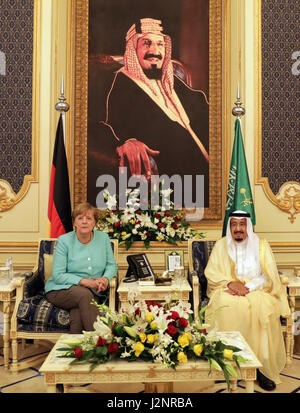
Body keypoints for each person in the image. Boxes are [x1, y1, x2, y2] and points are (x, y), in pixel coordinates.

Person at [99, 17, 209, 207]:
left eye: (160, 44)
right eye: (147, 43)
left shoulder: (173, 83)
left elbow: (205, 111)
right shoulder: (120, 84)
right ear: (133, 49)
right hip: (173, 182)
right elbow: (106, 124)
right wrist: (126, 142)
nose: (155, 52)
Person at [204, 210, 290, 391]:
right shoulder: (221, 246)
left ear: (248, 226)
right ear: (230, 227)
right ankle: (226, 364)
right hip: (227, 290)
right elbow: (211, 273)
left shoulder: (261, 245)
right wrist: (230, 283)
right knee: (225, 306)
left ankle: (261, 369)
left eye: (242, 224)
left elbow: (268, 276)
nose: (238, 229)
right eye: (234, 224)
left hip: (257, 291)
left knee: (264, 310)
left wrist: (248, 288)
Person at [45, 202, 118, 334]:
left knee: (78, 311)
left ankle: (77, 351)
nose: (84, 222)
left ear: (94, 222)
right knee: (84, 295)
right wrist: (87, 283)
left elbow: (111, 265)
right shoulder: (64, 241)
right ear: (74, 223)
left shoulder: (103, 238)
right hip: (60, 290)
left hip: (91, 292)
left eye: (89, 218)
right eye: (80, 218)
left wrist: (105, 279)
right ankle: (99, 342)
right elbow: (58, 275)